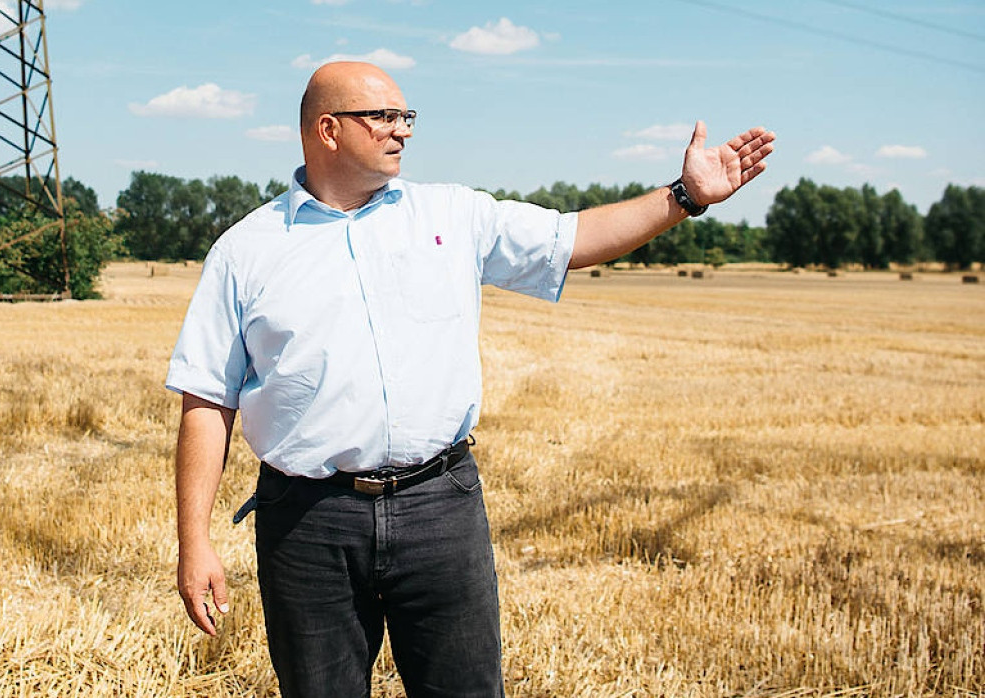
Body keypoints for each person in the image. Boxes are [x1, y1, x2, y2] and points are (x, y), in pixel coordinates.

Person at [167, 61, 775, 697]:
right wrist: (195, 542)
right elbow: (207, 399)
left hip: (440, 508)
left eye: (406, 118)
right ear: (327, 130)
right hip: (307, 522)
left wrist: (685, 196)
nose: (401, 131)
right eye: (382, 118)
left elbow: (577, 237)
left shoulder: (453, 216)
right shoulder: (248, 250)